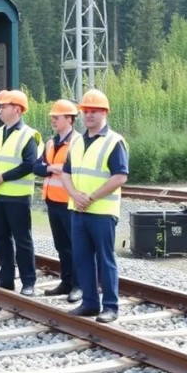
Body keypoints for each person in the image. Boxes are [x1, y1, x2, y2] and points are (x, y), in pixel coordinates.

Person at [60, 89, 128, 323]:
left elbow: (120, 176)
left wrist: (91, 197)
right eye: (85, 111)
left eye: (93, 111)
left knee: (105, 259)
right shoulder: (77, 142)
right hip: (78, 210)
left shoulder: (114, 141)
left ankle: (110, 306)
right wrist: (75, 195)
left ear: (105, 113)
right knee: (82, 258)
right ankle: (89, 303)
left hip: (101, 211)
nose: (88, 115)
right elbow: (65, 173)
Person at [0, 89, 42, 296]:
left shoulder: (29, 135)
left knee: (22, 240)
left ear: (17, 109)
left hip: (18, 197)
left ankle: (29, 282)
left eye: (4, 106)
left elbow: (29, 164)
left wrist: (3, 177)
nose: (0, 110)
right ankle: (6, 278)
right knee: (0, 238)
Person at [34, 99, 82, 303]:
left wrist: (51, 167)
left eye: (57, 117)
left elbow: (77, 170)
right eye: (52, 117)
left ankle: (79, 286)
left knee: (76, 245)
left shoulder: (77, 142)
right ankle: (66, 282)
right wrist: (51, 168)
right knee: (61, 245)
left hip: (69, 202)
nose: (53, 120)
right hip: (53, 201)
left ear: (69, 119)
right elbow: (36, 167)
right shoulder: (51, 143)